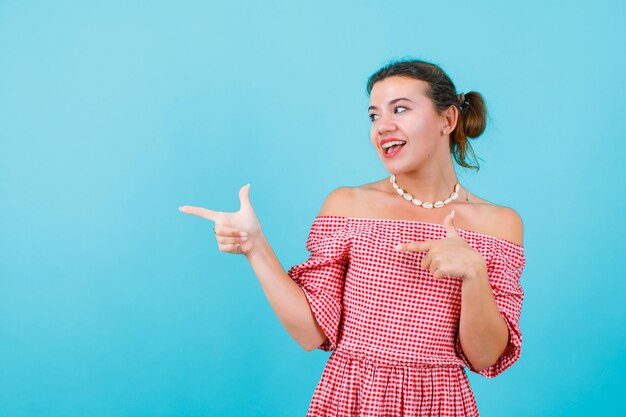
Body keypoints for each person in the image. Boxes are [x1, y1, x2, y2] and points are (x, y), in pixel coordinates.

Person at [179, 58, 526, 416]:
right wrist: (255, 246)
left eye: (401, 109)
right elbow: (311, 332)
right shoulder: (348, 205)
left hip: (440, 403)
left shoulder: (499, 225)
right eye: (374, 115)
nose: (382, 127)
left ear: (447, 119)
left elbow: (485, 358)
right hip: (352, 397)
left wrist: (475, 273)